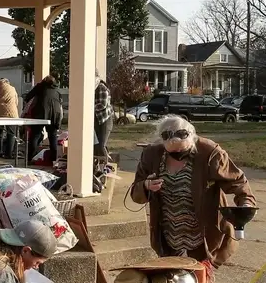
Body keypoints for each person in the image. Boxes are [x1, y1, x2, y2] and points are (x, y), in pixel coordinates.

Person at [129, 115, 255, 265]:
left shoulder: (209, 153)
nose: (179, 157)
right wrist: (146, 186)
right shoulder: (152, 154)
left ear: (192, 139)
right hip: (168, 238)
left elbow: (238, 182)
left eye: (183, 152)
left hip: (203, 239)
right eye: (173, 153)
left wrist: (246, 204)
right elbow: (136, 193)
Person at [23, 75, 63, 164]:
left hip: (41, 112)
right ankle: (53, 159)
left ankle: (31, 158)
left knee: (35, 135)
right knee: (52, 136)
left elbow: (28, 97)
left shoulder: (40, 87)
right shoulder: (57, 89)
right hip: (55, 114)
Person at [0, 77, 19, 159]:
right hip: (12, 114)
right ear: (8, 82)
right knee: (11, 134)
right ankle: (8, 153)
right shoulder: (12, 89)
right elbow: (16, 101)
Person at [94, 72, 113, 158]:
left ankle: (106, 165)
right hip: (99, 120)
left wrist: (89, 108)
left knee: (101, 145)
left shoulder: (101, 87)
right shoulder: (94, 87)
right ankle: (100, 164)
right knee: (97, 145)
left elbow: (102, 104)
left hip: (105, 120)